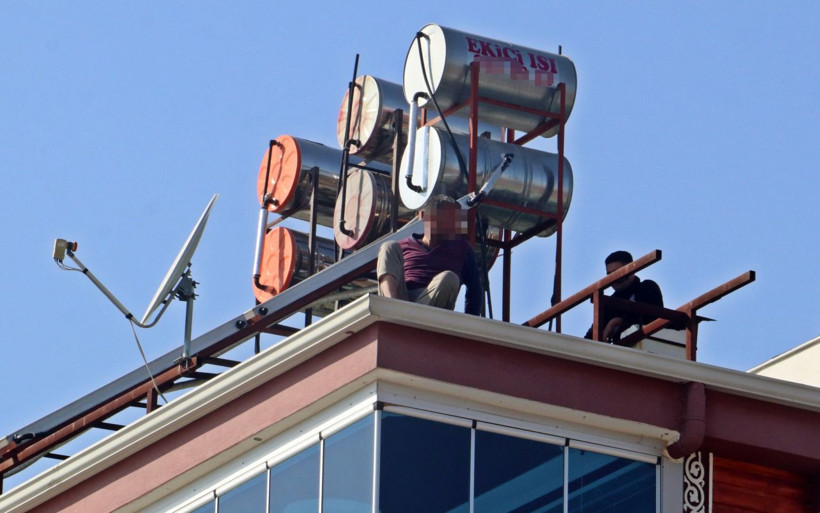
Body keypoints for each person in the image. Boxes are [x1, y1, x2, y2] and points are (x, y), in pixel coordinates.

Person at [377, 194, 482, 315]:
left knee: (450, 278)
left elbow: (474, 289)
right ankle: (391, 309)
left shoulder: (462, 248)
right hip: (402, 301)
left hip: (432, 306)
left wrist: (469, 325)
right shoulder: (403, 246)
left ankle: (414, 318)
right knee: (388, 246)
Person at [586, 250, 663, 343]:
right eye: (609, 275)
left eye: (617, 273)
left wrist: (617, 322)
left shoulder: (647, 287)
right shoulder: (609, 303)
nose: (613, 280)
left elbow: (654, 318)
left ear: (631, 271)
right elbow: (590, 337)